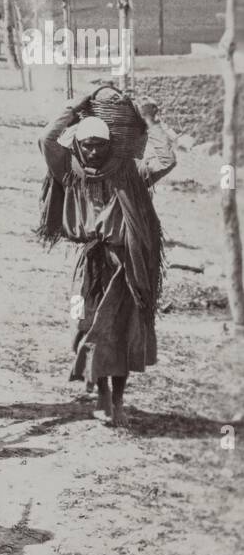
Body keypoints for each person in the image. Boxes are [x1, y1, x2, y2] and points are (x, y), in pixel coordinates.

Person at [38, 92, 172, 427]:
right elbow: (45, 138)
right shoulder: (71, 172)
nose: (95, 151)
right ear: (78, 147)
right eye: (88, 145)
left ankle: (118, 398)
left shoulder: (129, 173)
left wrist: (151, 121)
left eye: (101, 144)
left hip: (127, 264)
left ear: (111, 144)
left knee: (124, 329)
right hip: (92, 263)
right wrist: (75, 107)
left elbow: (166, 160)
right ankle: (100, 392)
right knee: (86, 325)